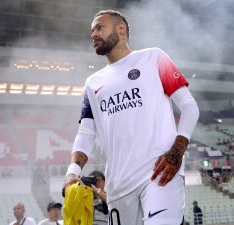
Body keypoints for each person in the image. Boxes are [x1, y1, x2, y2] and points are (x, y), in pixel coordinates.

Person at [62, 9, 199, 225]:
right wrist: (72, 172)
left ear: (121, 29)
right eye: (92, 31)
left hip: (159, 173)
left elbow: (190, 107)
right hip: (118, 185)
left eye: (100, 27)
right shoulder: (92, 83)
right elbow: (86, 132)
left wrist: (176, 152)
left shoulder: (153, 58)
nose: (94, 34)